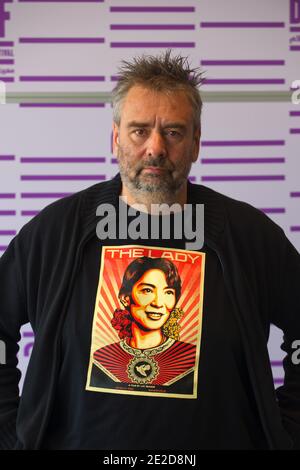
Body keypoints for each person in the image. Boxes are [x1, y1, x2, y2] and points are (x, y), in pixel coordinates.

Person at [0, 49, 300, 450]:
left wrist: (287, 432)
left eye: (173, 132)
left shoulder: (249, 236)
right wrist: (10, 434)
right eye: (140, 130)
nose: (155, 148)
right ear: (116, 137)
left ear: (196, 142)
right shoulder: (56, 232)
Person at [89, 256, 197, 396]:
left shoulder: (191, 355)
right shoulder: (101, 358)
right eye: (147, 290)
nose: (158, 303)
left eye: (168, 292)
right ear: (125, 298)